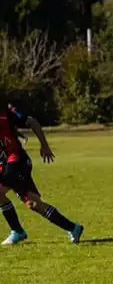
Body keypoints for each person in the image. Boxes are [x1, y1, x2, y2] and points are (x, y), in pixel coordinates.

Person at [0, 96, 84, 245]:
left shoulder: (8, 113)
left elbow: (32, 122)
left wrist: (44, 145)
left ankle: (17, 231)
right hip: (6, 163)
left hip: (17, 161)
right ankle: (73, 227)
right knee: (34, 204)